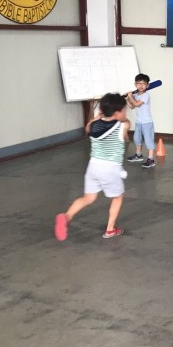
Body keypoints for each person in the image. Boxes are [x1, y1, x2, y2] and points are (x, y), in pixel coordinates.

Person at [54, 93, 129, 240]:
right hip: (110, 168)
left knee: (88, 198)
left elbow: (88, 127)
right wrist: (120, 115)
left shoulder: (93, 126)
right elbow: (125, 122)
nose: (125, 113)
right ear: (117, 112)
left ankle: (66, 216)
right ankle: (110, 229)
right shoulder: (123, 126)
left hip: (93, 167)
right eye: (124, 110)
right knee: (117, 197)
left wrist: (98, 117)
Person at [125, 73, 156, 169]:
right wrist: (127, 99)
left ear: (147, 85)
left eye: (143, 83)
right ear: (135, 84)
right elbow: (132, 106)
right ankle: (138, 155)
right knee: (137, 139)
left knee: (148, 140)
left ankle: (151, 159)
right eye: (138, 83)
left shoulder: (146, 95)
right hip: (138, 122)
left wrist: (130, 97)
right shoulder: (135, 95)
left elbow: (137, 104)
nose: (141, 85)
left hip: (147, 122)